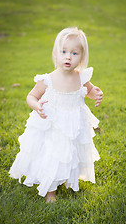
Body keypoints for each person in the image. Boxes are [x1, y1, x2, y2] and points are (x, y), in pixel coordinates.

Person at [9, 27, 103, 203]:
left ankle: (66, 177)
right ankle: (50, 191)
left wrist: (96, 94)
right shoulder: (48, 80)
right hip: (52, 123)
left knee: (70, 152)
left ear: (81, 57)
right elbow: (31, 96)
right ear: (55, 54)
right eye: (64, 51)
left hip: (74, 123)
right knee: (52, 154)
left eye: (74, 53)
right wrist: (37, 105)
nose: (68, 57)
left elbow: (89, 91)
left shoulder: (82, 77)